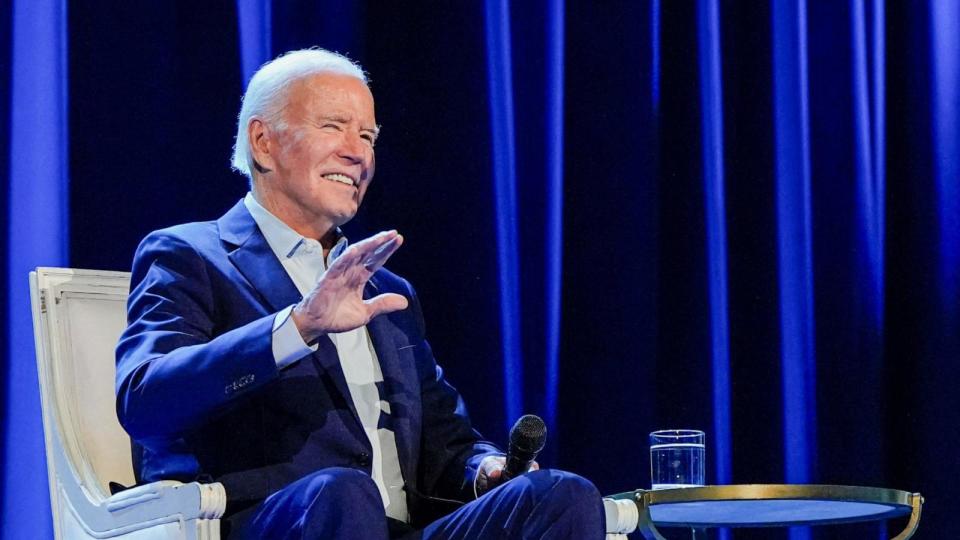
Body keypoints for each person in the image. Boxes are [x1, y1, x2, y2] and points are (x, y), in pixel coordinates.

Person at [115, 48, 603, 539]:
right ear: (263, 143)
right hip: (285, 523)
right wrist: (298, 326)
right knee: (344, 492)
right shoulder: (190, 255)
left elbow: (446, 444)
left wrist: (484, 470)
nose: (359, 152)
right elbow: (145, 400)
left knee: (563, 495)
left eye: (368, 136)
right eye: (334, 127)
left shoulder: (386, 291)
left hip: (403, 529)